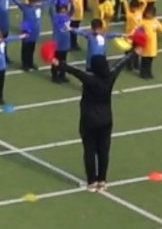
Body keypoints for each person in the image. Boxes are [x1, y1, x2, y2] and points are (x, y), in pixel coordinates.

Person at [47, 41, 141, 192]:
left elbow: (74, 71)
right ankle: (102, 181)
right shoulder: (110, 77)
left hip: (89, 120)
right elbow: (120, 64)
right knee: (103, 151)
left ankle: (91, 182)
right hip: (106, 119)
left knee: (89, 150)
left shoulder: (89, 79)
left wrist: (57, 62)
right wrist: (134, 52)